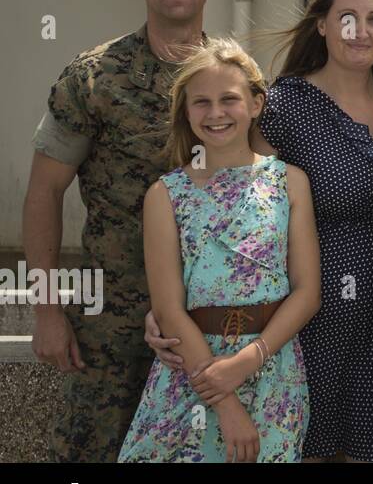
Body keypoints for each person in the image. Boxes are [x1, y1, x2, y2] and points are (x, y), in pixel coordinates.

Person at [146, 0, 373, 462]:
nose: (360, 31)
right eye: (347, 17)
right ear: (321, 24)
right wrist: (176, 308)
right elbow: (238, 213)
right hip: (308, 335)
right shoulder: (283, 109)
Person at [23, 0, 219, 462]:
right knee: (95, 470)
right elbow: (43, 192)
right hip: (113, 326)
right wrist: (46, 310)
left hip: (210, 322)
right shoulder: (93, 78)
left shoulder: (233, 81)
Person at [119, 39, 319, 462]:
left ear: (256, 103)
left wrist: (248, 361)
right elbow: (170, 309)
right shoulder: (165, 194)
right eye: (201, 102)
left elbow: (306, 293)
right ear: (186, 112)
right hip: (192, 372)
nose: (215, 113)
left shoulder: (290, 183)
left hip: (270, 369)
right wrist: (224, 399)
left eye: (229, 99)